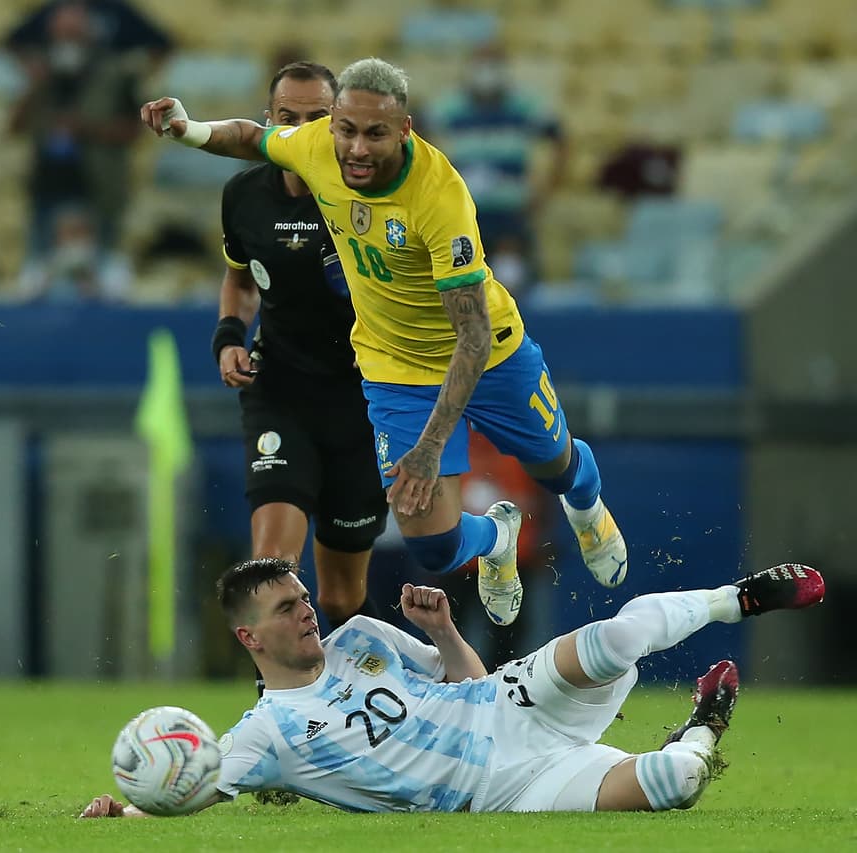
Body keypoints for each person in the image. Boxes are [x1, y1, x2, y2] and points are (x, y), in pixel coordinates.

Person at [140, 57, 627, 628]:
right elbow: (250, 136)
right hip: (395, 368)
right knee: (432, 544)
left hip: (488, 356)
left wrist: (428, 447)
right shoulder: (317, 144)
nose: (357, 149)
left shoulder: (440, 197)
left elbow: (468, 338)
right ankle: (498, 538)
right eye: (346, 130)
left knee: (555, 465)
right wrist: (188, 129)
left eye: (375, 133)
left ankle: (587, 505)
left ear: (406, 130)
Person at [81, 557, 825, 816]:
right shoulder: (265, 734)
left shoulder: (363, 639)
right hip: (505, 788)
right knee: (676, 780)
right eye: (287, 608)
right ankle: (704, 720)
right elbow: (194, 787)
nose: (307, 610)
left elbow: (468, 678)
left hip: (506, 702)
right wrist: (128, 811)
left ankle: (740, 597)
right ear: (250, 637)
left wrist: (443, 632)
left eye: (303, 596)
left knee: (620, 639)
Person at [213, 61, 387, 645]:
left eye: (318, 119)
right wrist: (229, 339)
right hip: (280, 392)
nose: (302, 132)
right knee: (272, 565)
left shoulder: (372, 201)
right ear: (268, 122)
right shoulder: (243, 197)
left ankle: (349, 699)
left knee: (341, 597)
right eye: (288, 119)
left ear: (339, 126)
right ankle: (275, 703)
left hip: (362, 403)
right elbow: (240, 280)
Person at [6, 0, 151, 257]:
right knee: (42, 262)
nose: (66, 42)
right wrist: (33, 87)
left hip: (99, 187)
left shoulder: (115, 73)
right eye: (61, 34)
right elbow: (14, 127)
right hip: (47, 185)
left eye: (73, 34)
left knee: (101, 261)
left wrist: (87, 129)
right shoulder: (42, 76)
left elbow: (136, 130)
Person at [424, 43, 568, 296]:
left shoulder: (524, 106)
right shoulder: (450, 106)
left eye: (493, 64)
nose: (487, 72)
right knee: (464, 287)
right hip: (464, 214)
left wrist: (547, 189)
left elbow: (559, 139)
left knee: (510, 284)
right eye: (481, 64)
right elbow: (416, 135)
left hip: (510, 214)